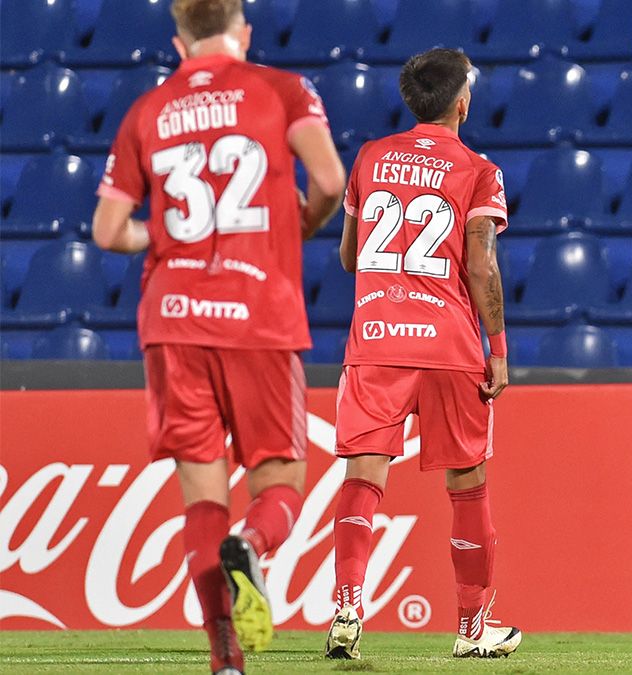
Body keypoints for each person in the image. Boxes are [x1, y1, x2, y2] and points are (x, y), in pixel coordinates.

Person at [91, 0, 345, 672]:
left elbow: (109, 230)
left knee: (202, 497)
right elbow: (329, 180)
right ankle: (253, 549)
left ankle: (225, 660)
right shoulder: (282, 88)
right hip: (257, 307)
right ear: (244, 32)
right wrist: (303, 222)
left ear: (179, 43)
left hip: (171, 318)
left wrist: (165, 235)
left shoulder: (147, 110)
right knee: (283, 477)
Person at [325, 47, 520, 660]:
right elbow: (481, 262)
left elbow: (351, 257)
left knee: (363, 476)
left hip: (376, 339)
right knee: (468, 486)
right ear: (463, 101)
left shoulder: (370, 157)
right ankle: (470, 629)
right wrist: (499, 347)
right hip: (449, 344)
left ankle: (347, 609)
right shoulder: (479, 170)